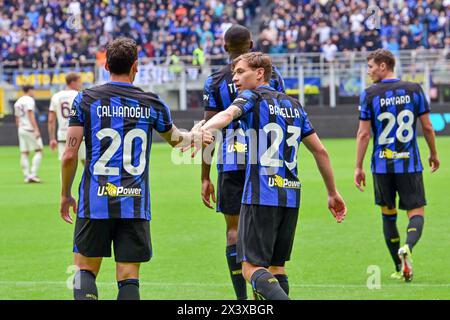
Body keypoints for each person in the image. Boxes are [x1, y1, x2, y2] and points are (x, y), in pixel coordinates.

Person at [60, 37, 212, 300]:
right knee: (129, 276)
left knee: (84, 269)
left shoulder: (86, 99)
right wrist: (196, 135)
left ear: (106, 65)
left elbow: (69, 154)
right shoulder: (152, 103)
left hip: (95, 201)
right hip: (135, 202)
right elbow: (178, 141)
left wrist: (65, 193)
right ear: (136, 67)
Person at [199, 52, 347, 300]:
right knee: (276, 268)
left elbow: (227, 115)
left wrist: (201, 130)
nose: (235, 78)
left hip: (260, 195)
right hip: (289, 196)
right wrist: (332, 192)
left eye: (240, 72)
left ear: (259, 73)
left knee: (250, 267)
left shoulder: (251, 97)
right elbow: (320, 151)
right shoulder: (294, 105)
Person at [201, 25, 285, 300]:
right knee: (269, 240)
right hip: (265, 163)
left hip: (230, 163)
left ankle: (242, 300)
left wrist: (205, 176)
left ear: (225, 47)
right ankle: (267, 291)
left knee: (234, 232)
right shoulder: (273, 77)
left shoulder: (214, 80)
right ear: (251, 43)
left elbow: (208, 131)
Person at [354, 49, 440, 282]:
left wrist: (358, 166)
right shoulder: (413, 90)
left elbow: (363, 135)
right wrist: (433, 153)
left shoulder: (369, 94)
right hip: (409, 165)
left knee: (388, 216)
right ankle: (408, 247)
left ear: (383, 66)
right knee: (416, 213)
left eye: (371, 66)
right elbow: (428, 127)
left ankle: (399, 267)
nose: (369, 71)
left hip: (382, 167)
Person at [48, 72, 86, 165]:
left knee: (65, 164)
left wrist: (52, 138)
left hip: (63, 134)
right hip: (79, 133)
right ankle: (89, 180)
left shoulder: (56, 96)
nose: (81, 84)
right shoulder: (80, 95)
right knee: (86, 163)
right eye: (79, 82)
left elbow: (51, 120)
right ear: (73, 82)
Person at [14, 85, 43, 183]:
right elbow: (30, 114)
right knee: (39, 150)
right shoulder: (29, 100)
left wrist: (19, 128)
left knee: (24, 152)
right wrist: (36, 129)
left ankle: (26, 176)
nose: (34, 92)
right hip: (29, 128)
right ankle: (33, 174)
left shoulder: (18, 102)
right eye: (33, 90)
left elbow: (17, 118)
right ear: (30, 90)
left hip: (21, 129)